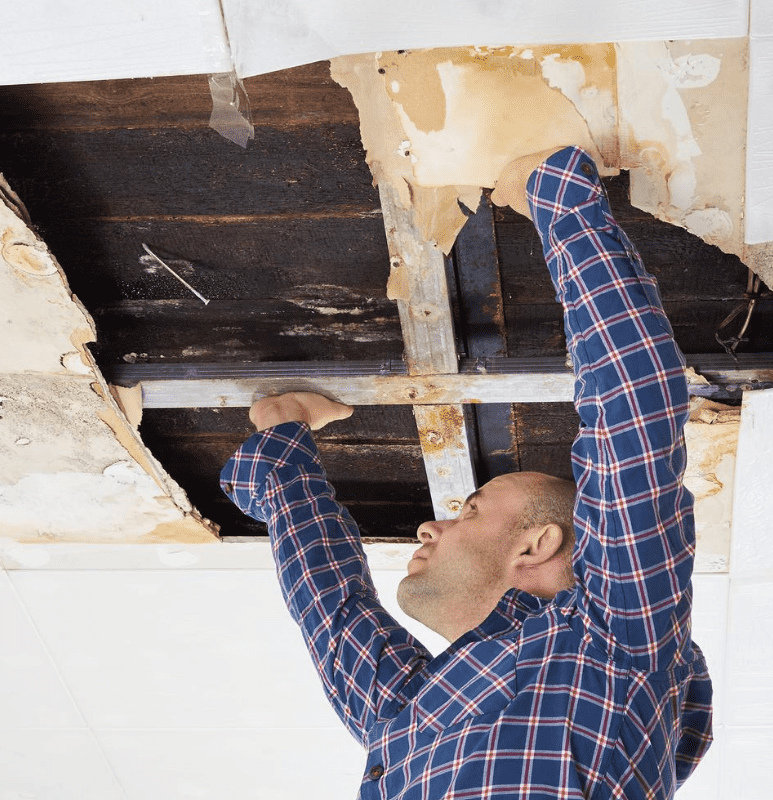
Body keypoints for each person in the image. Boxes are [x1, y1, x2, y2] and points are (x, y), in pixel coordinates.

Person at [221, 146, 711, 799]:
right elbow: (633, 415)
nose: (431, 523)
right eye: (471, 509)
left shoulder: (402, 723)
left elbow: (332, 610)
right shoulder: (614, 643)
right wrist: (555, 189)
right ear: (537, 544)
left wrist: (283, 439)